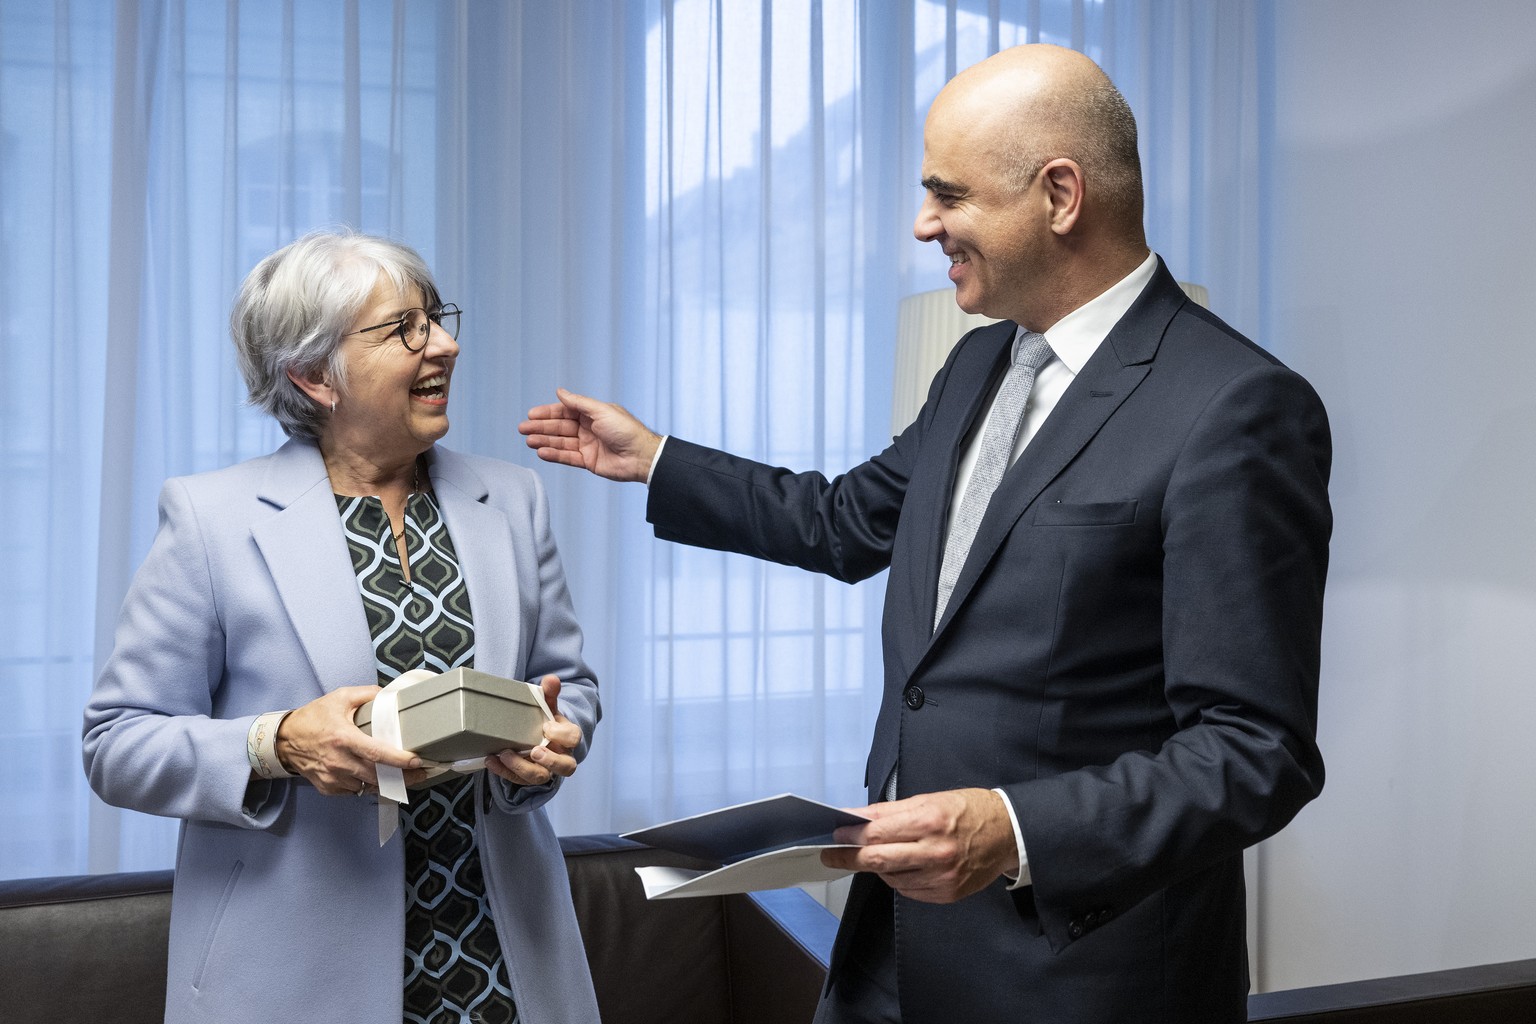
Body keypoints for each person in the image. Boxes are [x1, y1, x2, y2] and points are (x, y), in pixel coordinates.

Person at [519, 44, 1329, 1024]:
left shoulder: (1235, 406)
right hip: (894, 946)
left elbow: (1252, 753)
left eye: (948, 194)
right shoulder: (977, 365)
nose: (923, 223)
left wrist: (1013, 826)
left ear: (1060, 195)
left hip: (1078, 973)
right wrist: (655, 457)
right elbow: (846, 520)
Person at [84, 230, 602, 1024]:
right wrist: (277, 742)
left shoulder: (513, 500)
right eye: (406, 329)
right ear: (313, 376)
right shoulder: (210, 519)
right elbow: (116, 743)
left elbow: (572, 686)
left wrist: (554, 737)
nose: (447, 345)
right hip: (292, 978)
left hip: (504, 968)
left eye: (437, 318)